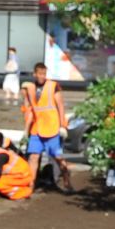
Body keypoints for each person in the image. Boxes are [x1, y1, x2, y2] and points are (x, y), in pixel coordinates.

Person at [20, 62, 73, 192]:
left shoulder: (53, 86)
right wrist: (26, 130)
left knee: (58, 158)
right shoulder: (30, 87)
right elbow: (28, 109)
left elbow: (60, 106)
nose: (42, 76)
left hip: (51, 129)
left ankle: (67, 181)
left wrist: (63, 125)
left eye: (44, 74)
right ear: (35, 74)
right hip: (36, 129)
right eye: (40, 74)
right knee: (33, 157)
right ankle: (30, 186)